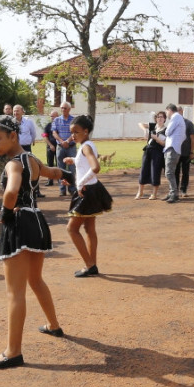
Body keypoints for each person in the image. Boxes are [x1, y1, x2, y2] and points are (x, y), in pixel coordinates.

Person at [0, 115, 74, 369]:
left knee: (15, 292)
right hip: (37, 222)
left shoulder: (13, 164)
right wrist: (68, 174)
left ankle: (13, 352)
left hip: (20, 221)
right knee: (35, 280)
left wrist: (4, 213)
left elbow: (12, 192)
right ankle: (53, 325)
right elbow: (52, 172)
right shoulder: (32, 159)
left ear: (13, 136)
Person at [62, 115, 112, 277]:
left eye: (76, 132)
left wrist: (80, 183)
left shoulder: (85, 147)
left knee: (72, 228)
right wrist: (74, 160)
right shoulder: (87, 145)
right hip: (93, 189)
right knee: (89, 228)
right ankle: (93, 265)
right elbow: (86, 163)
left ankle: (90, 265)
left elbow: (95, 167)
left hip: (87, 191)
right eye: (71, 133)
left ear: (86, 131)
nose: (73, 136)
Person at [136, 111, 166, 200]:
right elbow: (140, 123)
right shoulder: (153, 126)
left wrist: (157, 138)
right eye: (158, 117)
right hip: (148, 150)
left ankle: (154, 194)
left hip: (158, 152)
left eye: (162, 117)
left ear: (164, 119)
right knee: (143, 170)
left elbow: (165, 143)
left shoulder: (166, 130)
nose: (160, 119)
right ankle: (140, 192)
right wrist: (145, 130)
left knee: (155, 171)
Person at [162, 104, 186, 203]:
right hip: (174, 148)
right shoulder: (180, 118)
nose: (166, 114)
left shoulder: (175, 117)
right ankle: (172, 192)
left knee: (169, 172)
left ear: (169, 110)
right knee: (170, 171)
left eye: (166, 112)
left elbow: (167, 132)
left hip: (172, 148)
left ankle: (174, 193)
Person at [52, 102, 77, 196]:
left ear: (69, 109)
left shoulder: (74, 120)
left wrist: (67, 141)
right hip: (60, 147)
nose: (63, 110)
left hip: (71, 147)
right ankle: (62, 190)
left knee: (72, 168)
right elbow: (54, 133)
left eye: (65, 108)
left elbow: (75, 132)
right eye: (62, 108)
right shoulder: (57, 120)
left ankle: (72, 188)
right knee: (60, 169)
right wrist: (62, 141)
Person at [174, 108, 194, 197]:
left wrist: (192, 152)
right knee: (175, 172)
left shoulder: (189, 123)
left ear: (182, 112)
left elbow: (192, 139)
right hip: (176, 152)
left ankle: (183, 190)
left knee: (185, 172)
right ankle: (175, 190)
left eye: (179, 111)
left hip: (186, 152)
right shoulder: (173, 124)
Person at [43, 109, 59, 185]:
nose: (52, 117)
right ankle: (50, 180)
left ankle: (60, 180)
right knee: (50, 164)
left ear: (57, 116)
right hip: (50, 147)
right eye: (51, 116)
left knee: (59, 164)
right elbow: (45, 137)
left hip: (59, 147)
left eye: (53, 116)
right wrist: (51, 145)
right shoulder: (48, 126)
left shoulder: (60, 125)